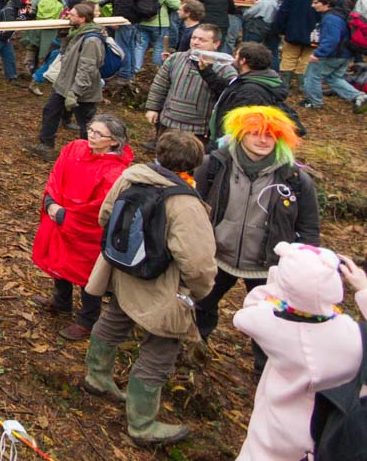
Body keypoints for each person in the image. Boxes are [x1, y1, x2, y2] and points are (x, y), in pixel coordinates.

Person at [82, 131, 215, 446]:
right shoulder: (185, 202)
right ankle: (141, 424)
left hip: (122, 272)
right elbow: (196, 263)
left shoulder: (132, 176)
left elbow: (105, 215)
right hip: (160, 286)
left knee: (115, 318)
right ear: (196, 164)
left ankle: (96, 377)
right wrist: (202, 291)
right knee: (161, 348)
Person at [192, 105, 320, 373]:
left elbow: (308, 227)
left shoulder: (295, 179)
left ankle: (266, 371)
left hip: (268, 265)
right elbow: (193, 207)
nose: (263, 140)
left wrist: (305, 264)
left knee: (269, 321)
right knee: (201, 306)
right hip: (218, 256)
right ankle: (192, 353)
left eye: (270, 135)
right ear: (240, 134)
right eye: (254, 133)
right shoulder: (214, 165)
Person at [231, 244, 367, 461]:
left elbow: (246, 311)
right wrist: (363, 289)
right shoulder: (350, 335)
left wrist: (280, 281)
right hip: (318, 440)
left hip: (268, 438)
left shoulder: (271, 325)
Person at [31, 114, 134, 340]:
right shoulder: (75, 149)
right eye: (91, 129)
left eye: (99, 133)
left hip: (86, 231)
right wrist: (51, 201)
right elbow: (56, 175)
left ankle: (87, 320)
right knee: (60, 260)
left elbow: (101, 208)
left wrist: (66, 215)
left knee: (88, 275)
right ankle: (61, 301)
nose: (91, 135)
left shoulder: (115, 173)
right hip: (60, 214)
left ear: (114, 142)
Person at [26, 3, 104, 160]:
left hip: (81, 89)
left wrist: (76, 92)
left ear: (82, 19)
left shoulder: (91, 41)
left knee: (87, 124)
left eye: (72, 14)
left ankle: (88, 156)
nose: (68, 16)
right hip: (64, 84)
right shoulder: (76, 32)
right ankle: (46, 146)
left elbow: (87, 69)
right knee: (50, 110)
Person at [143, 24, 231, 144]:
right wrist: (152, 108)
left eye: (202, 40)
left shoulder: (225, 68)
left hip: (199, 130)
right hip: (169, 123)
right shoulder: (175, 59)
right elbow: (160, 85)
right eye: (193, 38)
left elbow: (231, 95)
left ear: (216, 44)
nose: (195, 42)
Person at [302, 0, 367, 112]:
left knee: (312, 76)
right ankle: (359, 96)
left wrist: (318, 54)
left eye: (316, 3)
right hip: (346, 54)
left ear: (327, 4)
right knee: (334, 78)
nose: (313, 5)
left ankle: (314, 102)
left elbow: (332, 39)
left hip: (333, 55)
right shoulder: (341, 15)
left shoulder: (330, 19)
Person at [273, 0, 334, 91]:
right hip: (318, 33)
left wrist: (279, 29)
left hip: (293, 30)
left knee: (289, 56)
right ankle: (302, 84)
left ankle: (285, 83)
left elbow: (283, 11)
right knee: (307, 58)